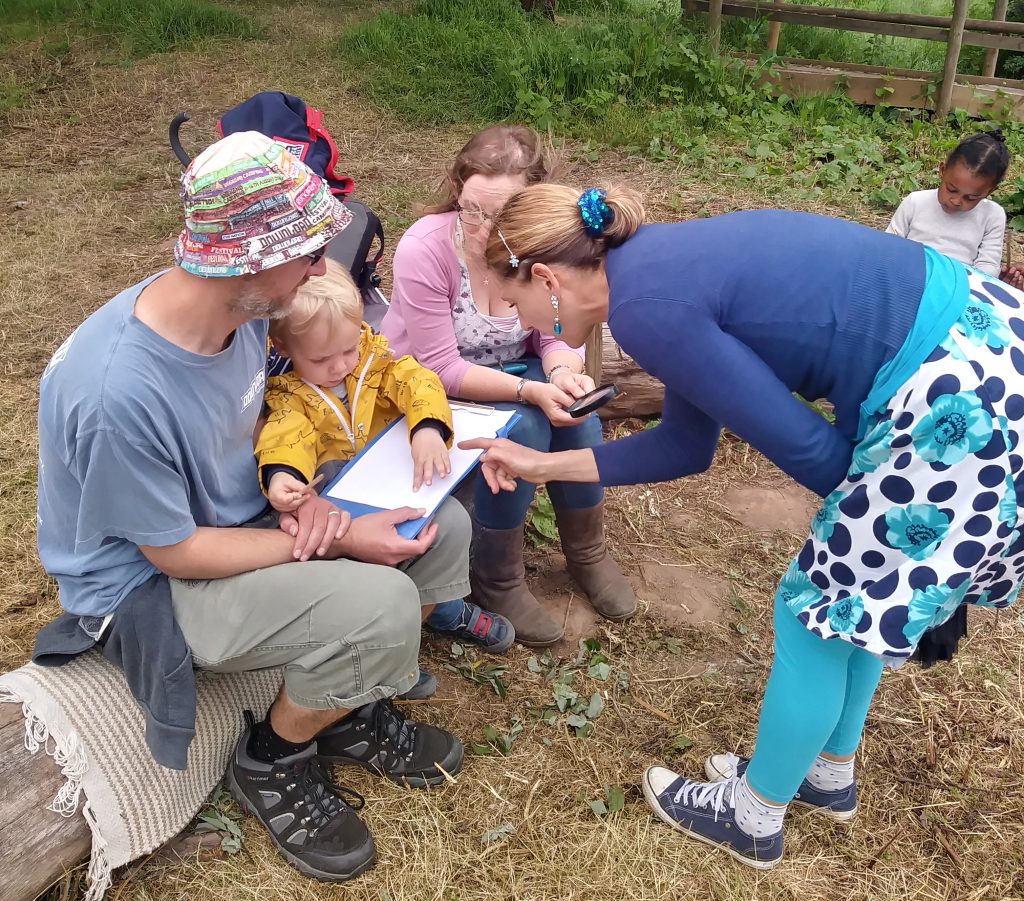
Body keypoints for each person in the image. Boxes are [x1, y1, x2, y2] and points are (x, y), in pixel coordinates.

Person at [462, 184, 1024, 869]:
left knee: (816, 610)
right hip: (984, 341)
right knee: (853, 594)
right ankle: (826, 771)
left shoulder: (645, 307)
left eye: (518, 304)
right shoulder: (650, 264)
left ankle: (753, 816)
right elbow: (687, 446)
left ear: (547, 279)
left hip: (958, 396)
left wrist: (893, 538)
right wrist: (542, 467)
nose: (525, 325)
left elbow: (814, 454)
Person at [35, 131, 470, 883]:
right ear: (253, 259)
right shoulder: (118, 393)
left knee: (441, 525)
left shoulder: (235, 312)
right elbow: (172, 552)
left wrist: (304, 496)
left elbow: (276, 417)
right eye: (308, 254)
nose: (325, 269)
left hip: (242, 520)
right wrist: (330, 539)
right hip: (153, 583)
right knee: (383, 603)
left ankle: (344, 704)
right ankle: (272, 756)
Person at [381, 125, 635, 646]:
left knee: (579, 417)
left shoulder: (538, 244)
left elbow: (551, 329)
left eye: (501, 214)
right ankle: (497, 578)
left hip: (511, 374)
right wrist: (531, 392)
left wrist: (563, 370)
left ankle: (586, 553)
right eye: (473, 208)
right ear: (457, 192)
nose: (483, 226)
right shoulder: (424, 250)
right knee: (528, 426)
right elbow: (439, 367)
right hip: (428, 390)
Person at [257, 259, 515, 654]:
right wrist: (281, 475)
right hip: (344, 502)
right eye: (321, 360)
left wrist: (427, 426)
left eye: (346, 350)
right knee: (367, 573)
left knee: (437, 531)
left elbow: (418, 382)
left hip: (395, 480)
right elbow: (285, 436)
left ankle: (442, 607)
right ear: (284, 347)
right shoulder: (290, 395)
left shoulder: (371, 361)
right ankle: (386, 644)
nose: (339, 366)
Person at [887, 129, 1023, 287]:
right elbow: (890, 244)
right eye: (951, 189)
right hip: (910, 277)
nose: (956, 201)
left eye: (971, 198)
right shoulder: (915, 201)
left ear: (989, 191)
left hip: (959, 288)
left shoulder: (992, 215)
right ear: (943, 171)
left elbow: (988, 266)